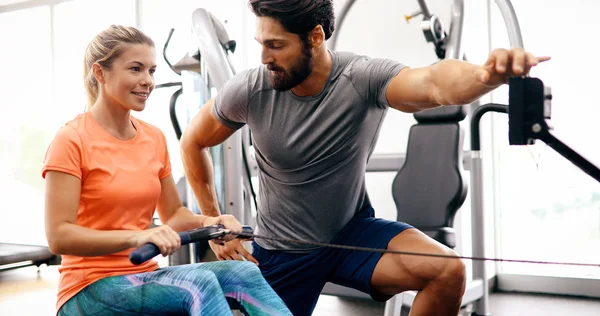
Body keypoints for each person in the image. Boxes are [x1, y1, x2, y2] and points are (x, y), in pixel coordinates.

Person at [180, 1, 550, 315]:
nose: (264, 58)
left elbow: (433, 83)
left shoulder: (360, 77)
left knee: (446, 270)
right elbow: (193, 142)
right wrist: (212, 219)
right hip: (281, 250)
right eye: (261, 44)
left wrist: (486, 76)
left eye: (275, 45)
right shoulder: (252, 87)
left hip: (350, 235)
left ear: (316, 37)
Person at [42, 25, 292, 316]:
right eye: (136, 69)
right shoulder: (71, 139)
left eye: (151, 71)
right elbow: (59, 236)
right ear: (100, 73)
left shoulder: (153, 137)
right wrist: (138, 237)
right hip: (88, 288)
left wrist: (213, 220)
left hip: (142, 275)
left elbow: (174, 215)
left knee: (242, 273)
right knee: (198, 283)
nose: (147, 81)